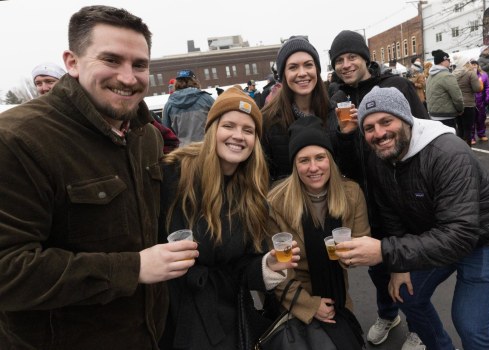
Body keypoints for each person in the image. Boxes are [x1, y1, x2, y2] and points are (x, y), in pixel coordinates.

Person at [0, 6, 200, 349]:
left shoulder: (145, 136)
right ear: (72, 62)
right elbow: (8, 271)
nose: (128, 77)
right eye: (111, 60)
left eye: (139, 65)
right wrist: (132, 268)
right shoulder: (18, 140)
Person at [338, 86, 489, 350]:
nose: (379, 133)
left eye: (386, 121)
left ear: (405, 118)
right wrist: (398, 267)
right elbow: (391, 214)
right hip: (439, 235)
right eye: (369, 128)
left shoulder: (448, 153)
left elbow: (460, 235)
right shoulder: (380, 158)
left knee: (471, 324)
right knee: (405, 294)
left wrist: (384, 251)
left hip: (486, 239)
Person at [158, 86, 300, 350]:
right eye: (229, 126)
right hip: (174, 314)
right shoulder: (175, 175)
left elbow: (241, 267)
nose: (238, 136)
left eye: (248, 130)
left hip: (225, 317)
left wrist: (266, 265)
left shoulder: (253, 195)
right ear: (213, 129)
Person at [328, 29, 428, 349]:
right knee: (378, 266)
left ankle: (420, 326)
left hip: (401, 194)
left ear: (365, 58)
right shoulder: (335, 98)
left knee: (410, 264)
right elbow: (341, 159)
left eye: (352, 57)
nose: (346, 64)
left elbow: (422, 132)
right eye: (339, 60)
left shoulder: (394, 86)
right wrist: (343, 135)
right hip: (365, 201)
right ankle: (389, 313)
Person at [268, 116, 370, 349]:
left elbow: (363, 241)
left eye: (320, 157)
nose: (313, 168)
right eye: (304, 160)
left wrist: (351, 253)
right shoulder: (276, 202)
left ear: (331, 160)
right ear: (294, 165)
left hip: (338, 296)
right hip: (294, 299)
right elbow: (276, 270)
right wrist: (309, 305)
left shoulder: (352, 193)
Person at [261, 35, 357, 183]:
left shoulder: (335, 114)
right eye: (293, 67)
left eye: (308, 65)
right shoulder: (268, 121)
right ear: (283, 75)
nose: (302, 73)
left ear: (317, 70)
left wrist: (347, 136)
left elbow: (348, 170)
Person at [162, 69, 214, 147]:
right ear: (194, 81)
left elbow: (166, 132)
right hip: (206, 148)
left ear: (176, 84)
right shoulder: (207, 99)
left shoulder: (169, 105)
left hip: (182, 152)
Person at [426, 49, 464, 130]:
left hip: (433, 115)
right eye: (448, 60)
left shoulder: (430, 76)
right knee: (449, 141)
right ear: (443, 61)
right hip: (446, 116)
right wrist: (460, 109)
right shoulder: (447, 76)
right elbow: (457, 97)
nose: (450, 62)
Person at [452, 54, 482, 147]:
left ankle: (460, 149)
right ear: (465, 63)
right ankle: (468, 149)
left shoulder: (453, 74)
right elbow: (477, 88)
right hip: (468, 104)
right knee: (468, 129)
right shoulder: (470, 73)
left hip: (457, 104)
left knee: (460, 128)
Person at [470, 60, 489, 145]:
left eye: (475, 64)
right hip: (470, 102)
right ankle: (471, 137)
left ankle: (481, 134)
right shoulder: (468, 75)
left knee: (481, 119)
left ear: (478, 65)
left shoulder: (484, 75)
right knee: (471, 120)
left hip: (481, 101)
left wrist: (487, 99)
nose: (474, 66)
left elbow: (487, 88)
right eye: (472, 65)